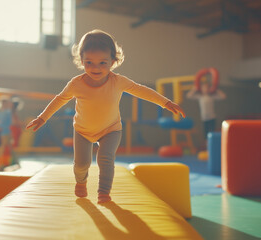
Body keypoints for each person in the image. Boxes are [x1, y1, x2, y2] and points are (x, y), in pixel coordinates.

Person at [26, 29, 185, 204]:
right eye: (89, 62)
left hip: (111, 129)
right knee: (81, 165)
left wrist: (166, 102)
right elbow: (60, 99)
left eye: (103, 63)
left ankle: (103, 192)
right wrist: (43, 117)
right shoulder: (76, 84)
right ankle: (81, 181)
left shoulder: (118, 82)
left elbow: (141, 90)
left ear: (113, 62)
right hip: (82, 131)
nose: (96, 68)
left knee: (105, 158)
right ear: (81, 60)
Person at [0, 95, 13, 171]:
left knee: (7, 146)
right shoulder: (3, 112)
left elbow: (5, 122)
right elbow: (1, 122)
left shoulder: (6, 112)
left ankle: (5, 163)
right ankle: (1, 163)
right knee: (4, 146)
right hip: (4, 131)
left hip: (6, 131)